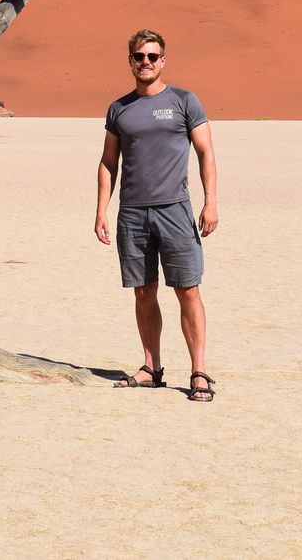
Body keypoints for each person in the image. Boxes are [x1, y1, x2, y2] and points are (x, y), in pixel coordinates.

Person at [94, 30, 219, 402]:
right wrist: (101, 210)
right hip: (132, 214)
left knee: (188, 290)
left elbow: (206, 153)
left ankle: (199, 372)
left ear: (163, 60)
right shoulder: (119, 109)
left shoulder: (184, 101)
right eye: (139, 56)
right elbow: (108, 161)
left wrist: (211, 202)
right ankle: (152, 368)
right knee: (143, 291)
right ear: (130, 61)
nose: (145, 62)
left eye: (152, 56)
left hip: (175, 210)